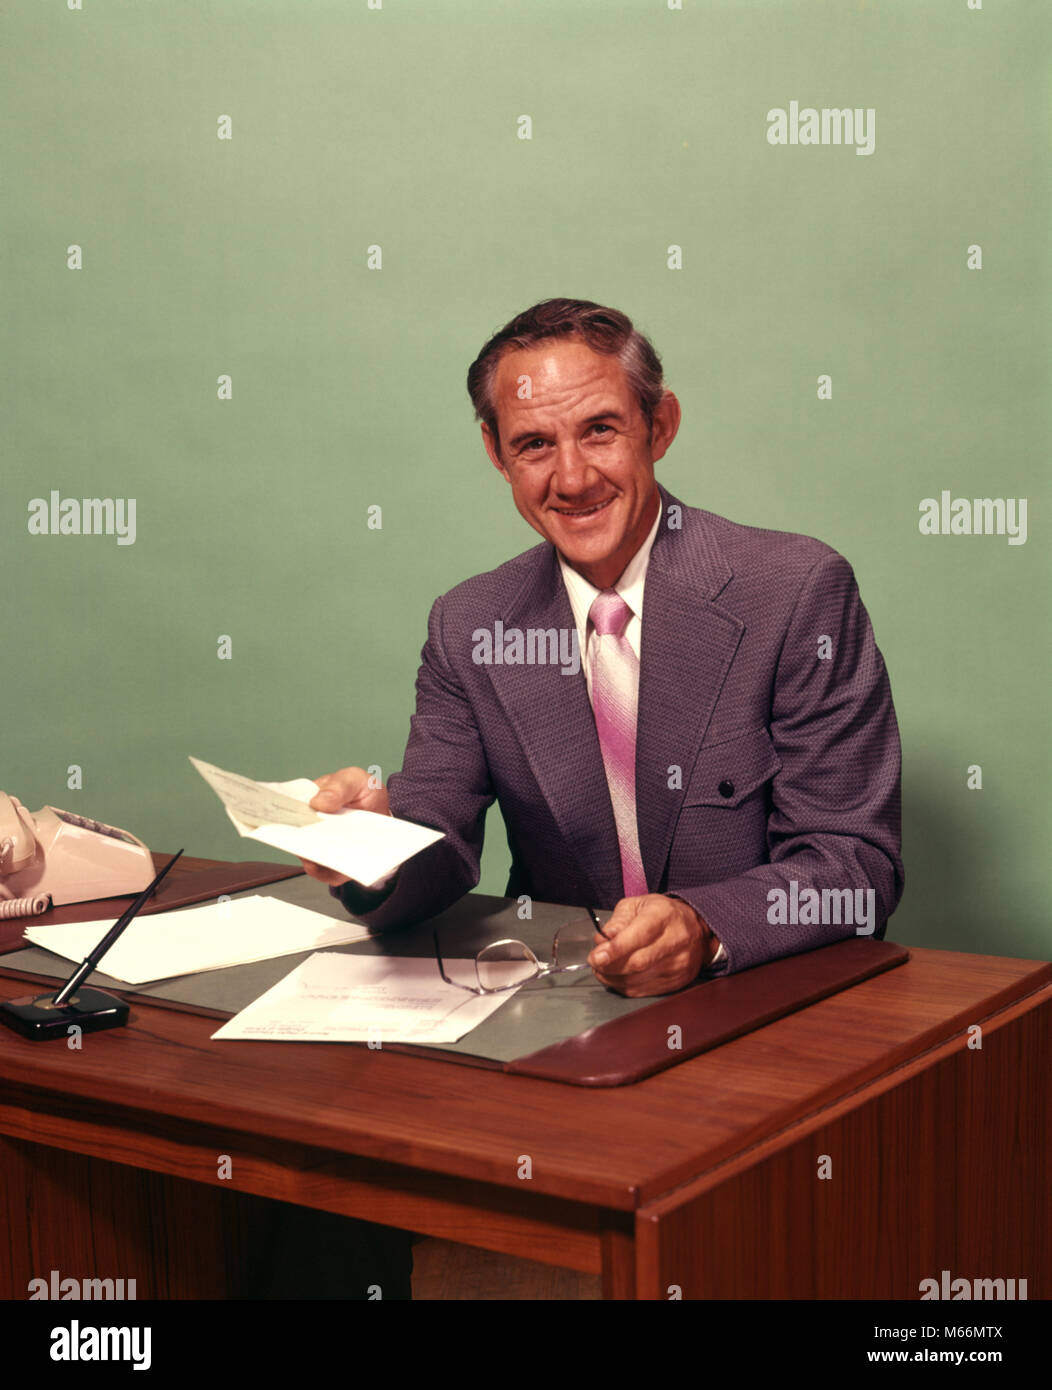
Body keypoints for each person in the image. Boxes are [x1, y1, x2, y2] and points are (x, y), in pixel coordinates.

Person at [300, 298, 903, 997]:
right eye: (534, 444)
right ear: (497, 453)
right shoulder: (469, 626)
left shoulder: (797, 593)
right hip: (569, 1006)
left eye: (600, 431)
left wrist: (704, 926)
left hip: (762, 996)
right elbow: (440, 836)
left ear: (660, 426)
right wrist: (373, 848)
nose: (574, 478)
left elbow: (852, 862)